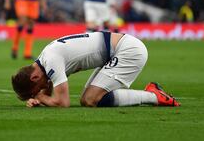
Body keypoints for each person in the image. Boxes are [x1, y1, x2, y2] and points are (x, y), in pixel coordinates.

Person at [11, 31, 180, 108]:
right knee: (86, 100)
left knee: (91, 99)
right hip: (116, 50)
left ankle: (153, 96)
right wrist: (40, 99)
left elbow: (63, 102)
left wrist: (40, 97)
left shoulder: (51, 60)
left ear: (34, 77)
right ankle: (153, 94)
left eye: (35, 90)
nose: (41, 89)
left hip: (129, 50)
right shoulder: (44, 61)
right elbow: (49, 89)